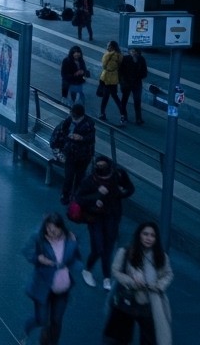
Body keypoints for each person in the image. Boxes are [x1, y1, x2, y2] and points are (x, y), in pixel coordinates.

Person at [106, 221, 174, 345]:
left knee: (149, 339)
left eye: (152, 235)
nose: (149, 238)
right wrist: (131, 281)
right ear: (139, 235)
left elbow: (168, 274)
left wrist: (159, 286)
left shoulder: (161, 256)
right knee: (121, 338)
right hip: (128, 300)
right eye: (145, 234)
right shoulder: (126, 251)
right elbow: (115, 270)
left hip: (150, 302)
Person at [21, 212, 83, 345]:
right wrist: (38, 258)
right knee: (41, 319)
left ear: (62, 228)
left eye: (55, 230)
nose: (51, 233)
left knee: (56, 321)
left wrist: (73, 266)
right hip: (43, 287)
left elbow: (76, 260)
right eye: (48, 229)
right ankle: (27, 328)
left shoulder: (70, 241)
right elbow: (27, 250)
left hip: (62, 289)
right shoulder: (39, 238)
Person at [75, 154, 135, 290]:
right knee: (98, 247)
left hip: (111, 216)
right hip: (94, 217)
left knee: (107, 248)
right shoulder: (89, 181)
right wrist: (96, 195)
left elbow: (130, 189)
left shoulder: (118, 175)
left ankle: (106, 277)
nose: (104, 179)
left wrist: (118, 194)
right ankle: (89, 270)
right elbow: (79, 198)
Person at [50, 104, 96, 205]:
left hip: (83, 156)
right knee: (69, 177)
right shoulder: (68, 122)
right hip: (71, 154)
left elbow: (91, 139)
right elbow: (59, 134)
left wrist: (82, 138)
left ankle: (74, 195)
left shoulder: (89, 125)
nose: (74, 119)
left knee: (79, 176)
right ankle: (66, 194)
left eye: (76, 117)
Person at [120, 47, 148, 125]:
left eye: (135, 51)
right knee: (124, 100)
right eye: (132, 51)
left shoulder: (141, 59)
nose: (133, 53)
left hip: (136, 83)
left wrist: (138, 76)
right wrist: (122, 82)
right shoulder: (125, 59)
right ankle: (124, 116)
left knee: (137, 100)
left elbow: (144, 72)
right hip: (127, 83)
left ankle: (138, 118)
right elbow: (121, 71)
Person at [98, 40, 123, 123]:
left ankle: (102, 113)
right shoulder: (119, 55)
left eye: (108, 46)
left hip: (106, 78)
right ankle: (123, 115)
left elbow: (104, 64)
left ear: (111, 47)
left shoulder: (107, 54)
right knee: (115, 97)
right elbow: (120, 64)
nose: (107, 47)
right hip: (114, 78)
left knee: (105, 98)